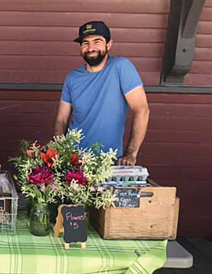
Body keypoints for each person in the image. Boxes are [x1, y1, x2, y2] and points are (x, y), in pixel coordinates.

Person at [53, 21, 150, 166]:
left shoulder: (121, 67)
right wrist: (57, 153)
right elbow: (61, 119)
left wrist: (130, 154)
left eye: (96, 41)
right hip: (73, 162)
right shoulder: (72, 77)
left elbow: (142, 110)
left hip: (107, 163)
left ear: (109, 44)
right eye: (85, 43)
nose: (90, 48)